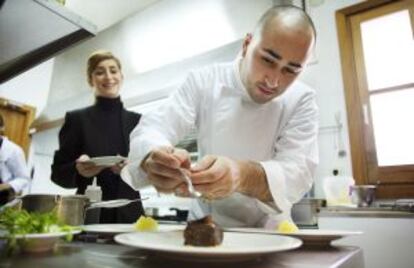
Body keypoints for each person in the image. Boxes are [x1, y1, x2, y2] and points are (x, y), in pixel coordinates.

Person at [123, 5, 318, 228]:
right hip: (204, 227)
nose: (273, 81)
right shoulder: (204, 81)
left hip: (269, 232)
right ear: (246, 45)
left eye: (290, 70)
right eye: (267, 60)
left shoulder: (302, 99)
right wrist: (154, 157)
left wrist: (242, 175)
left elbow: (297, 172)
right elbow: (154, 127)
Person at [51, 50, 144, 223]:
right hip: (88, 212)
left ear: (121, 76)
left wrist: (130, 168)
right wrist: (78, 170)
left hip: (130, 214)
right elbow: (58, 173)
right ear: (90, 79)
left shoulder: (137, 121)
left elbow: (147, 171)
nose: (108, 77)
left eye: (113, 70)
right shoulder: (76, 119)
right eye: (100, 72)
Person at [0, 114, 30, 205]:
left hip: (3, 202)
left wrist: (2, 186)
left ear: (1, 128)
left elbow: (24, 179)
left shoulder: (14, 150)